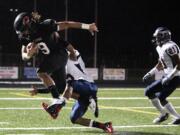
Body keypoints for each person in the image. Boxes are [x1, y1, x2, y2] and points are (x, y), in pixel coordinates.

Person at [13, 12, 98, 115]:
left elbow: (67, 24)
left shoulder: (46, 26)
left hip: (60, 54)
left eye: (24, 30)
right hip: (52, 58)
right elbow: (24, 56)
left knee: (41, 72)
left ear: (29, 23)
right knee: (61, 88)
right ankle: (87, 99)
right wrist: (29, 54)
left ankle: (56, 99)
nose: (23, 33)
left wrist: (87, 26)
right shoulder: (25, 37)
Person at [30, 50, 113, 133]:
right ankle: (104, 125)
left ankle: (57, 108)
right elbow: (55, 88)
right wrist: (38, 91)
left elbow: (72, 52)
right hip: (80, 94)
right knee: (74, 118)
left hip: (88, 85)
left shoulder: (70, 58)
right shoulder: (58, 67)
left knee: (70, 83)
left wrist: (63, 50)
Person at [142, 27, 180, 125]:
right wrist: (150, 73)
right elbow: (160, 64)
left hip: (176, 76)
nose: (156, 39)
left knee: (161, 97)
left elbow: (179, 64)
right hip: (168, 76)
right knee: (148, 91)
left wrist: (169, 76)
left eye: (158, 36)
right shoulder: (160, 47)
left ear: (164, 36)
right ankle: (163, 114)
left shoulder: (170, 47)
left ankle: (178, 117)